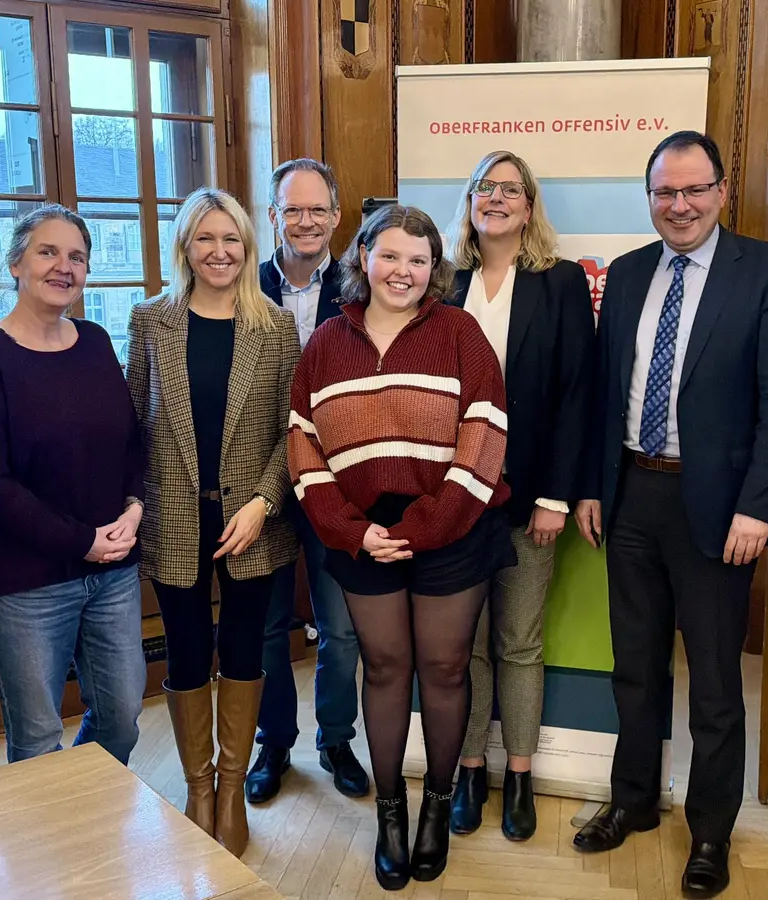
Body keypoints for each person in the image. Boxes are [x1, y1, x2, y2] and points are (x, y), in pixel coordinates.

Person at [572, 131, 768, 900]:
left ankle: (710, 830)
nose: (679, 205)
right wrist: (593, 486)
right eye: (664, 193)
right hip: (633, 493)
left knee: (712, 681)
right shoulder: (632, 273)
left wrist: (758, 507)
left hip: (719, 509)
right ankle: (634, 801)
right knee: (633, 669)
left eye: (693, 190)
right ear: (650, 198)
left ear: (722, 190)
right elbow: (607, 394)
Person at [288, 205, 514, 891]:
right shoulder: (327, 341)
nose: (404, 272)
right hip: (360, 531)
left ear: (433, 269)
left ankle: (436, 809)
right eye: (390, 256)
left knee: (444, 670)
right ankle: (391, 814)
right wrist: (354, 531)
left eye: (418, 260)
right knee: (384, 670)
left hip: (453, 524)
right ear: (363, 258)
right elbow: (302, 444)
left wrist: (422, 528)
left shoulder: (459, 333)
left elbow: (485, 435)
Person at [127, 188, 301, 858]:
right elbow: (133, 424)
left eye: (232, 240)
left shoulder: (275, 326)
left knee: (245, 649)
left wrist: (263, 501)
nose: (220, 252)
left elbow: (295, 429)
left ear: (248, 247)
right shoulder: (151, 321)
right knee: (189, 650)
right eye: (206, 239)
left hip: (253, 520)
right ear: (185, 248)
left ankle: (233, 789)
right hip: (174, 518)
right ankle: (198, 789)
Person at [0, 205, 147, 771]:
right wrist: (80, 540)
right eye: (48, 252)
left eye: (76, 256)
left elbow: (130, 442)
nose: (64, 266)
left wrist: (134, 506)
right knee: (36, 738)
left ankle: (87, 809)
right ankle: (50, 850)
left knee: (123, 715)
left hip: (112, 571)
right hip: (23, 584)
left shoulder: (95, 341)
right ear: (15, 263)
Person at [441, 150, 594, 841]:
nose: (497, 199)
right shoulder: (443, 284)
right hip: (452, 505)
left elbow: (575, 396)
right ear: (470, 202)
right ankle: (471, 768)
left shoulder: (559, 283)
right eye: (485, 188)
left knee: (519, 643)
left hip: (529, 495)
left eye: (510, 190)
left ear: (529, 207)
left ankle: (522, 776)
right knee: (463, 646)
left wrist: (556, 497)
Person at [247, 159, 370, 804]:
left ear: (337, 215)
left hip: (336, 483)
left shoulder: (360, 288)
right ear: (273, 215)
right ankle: (273, 745)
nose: (306, 221)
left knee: (340, 627)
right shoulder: (241, 282)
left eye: (317, 209)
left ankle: (336, 739)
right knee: (269, 628)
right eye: (292, 209)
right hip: (259, 483)